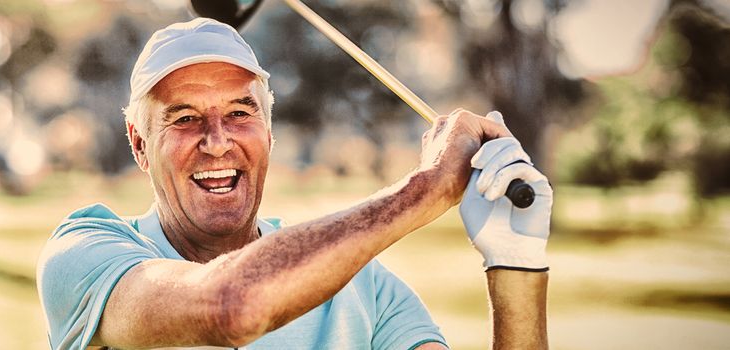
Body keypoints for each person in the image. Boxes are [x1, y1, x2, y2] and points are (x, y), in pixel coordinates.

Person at [37, 18, 552, 350]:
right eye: (185, 118)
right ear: (139, 143)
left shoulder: (361, 285)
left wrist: (516, 265)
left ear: (269, 130)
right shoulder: (88, 252)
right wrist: (426, 188)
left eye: (241, 112)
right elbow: (232, 308)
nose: (217, 142)